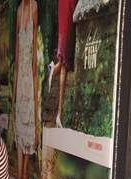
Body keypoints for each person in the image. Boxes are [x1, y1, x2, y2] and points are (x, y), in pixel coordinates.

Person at [12, 0, 39, 179]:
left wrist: (34, 77)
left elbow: (35, 44)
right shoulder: (20, 10)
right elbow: (17, 49)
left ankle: (25, 173)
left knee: (29, 118)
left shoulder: (34, 7)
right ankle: (20, 174)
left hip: (29, 74)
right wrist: (14, 88)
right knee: (20, 117)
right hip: (21, 75)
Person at [47, 0, 79, 128]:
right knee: (65, 59)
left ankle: (53, 69)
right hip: (68, 5)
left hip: (68, 5)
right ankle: (59, 114)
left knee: (64, 59)